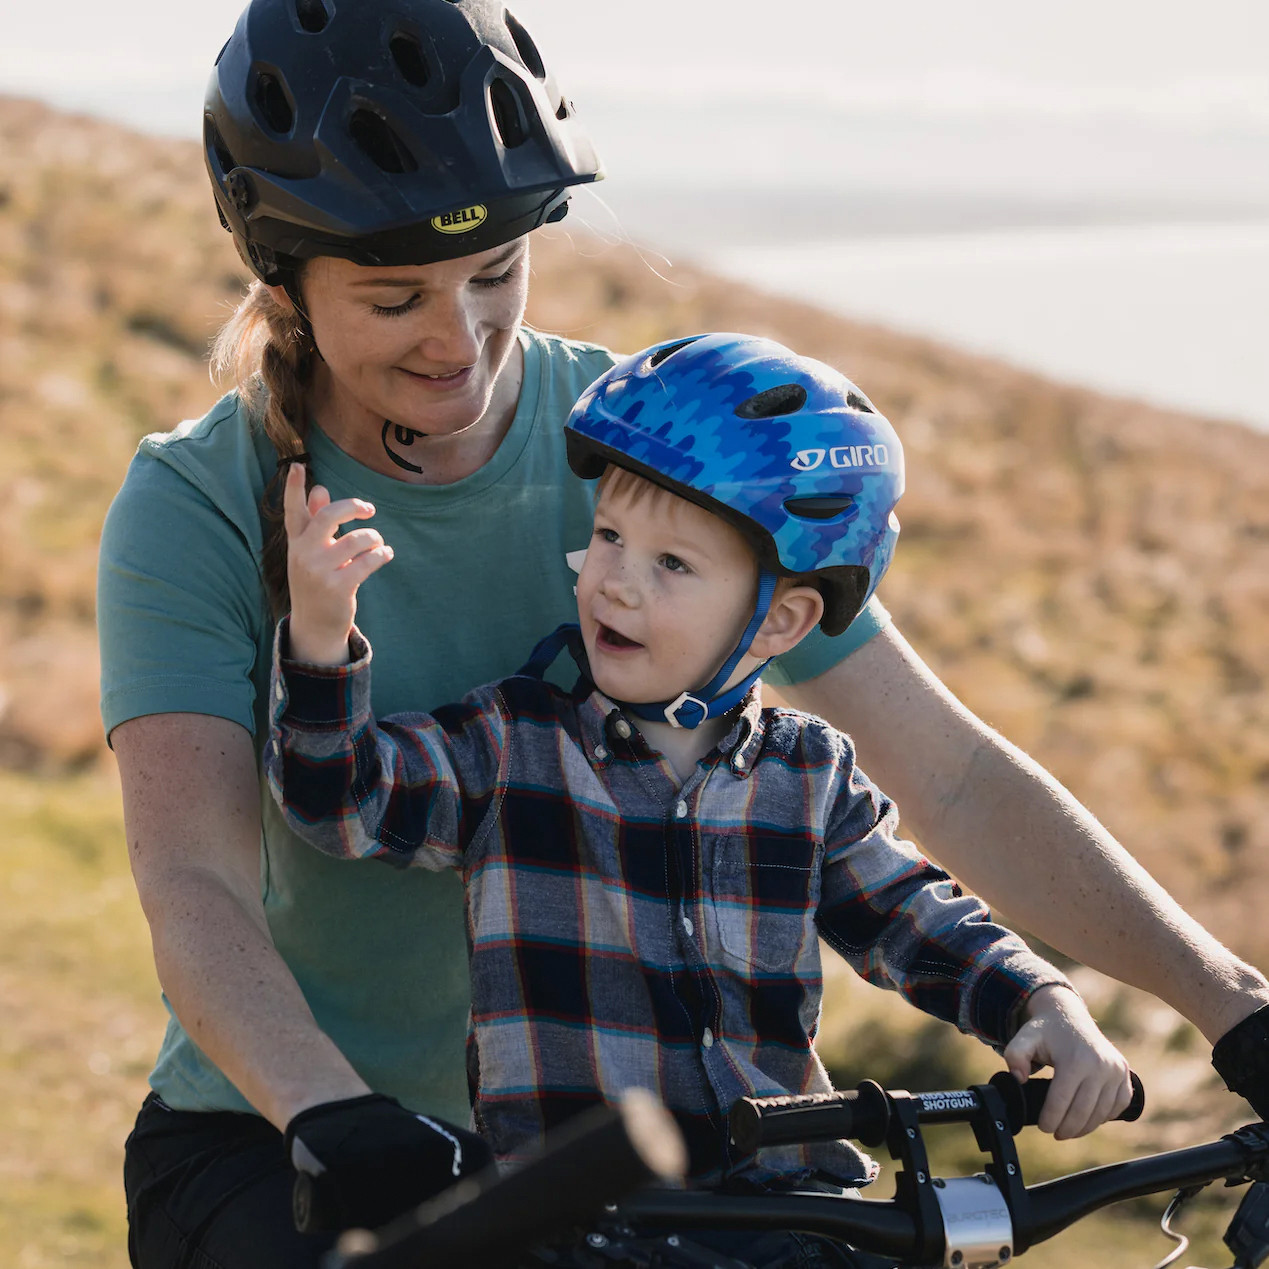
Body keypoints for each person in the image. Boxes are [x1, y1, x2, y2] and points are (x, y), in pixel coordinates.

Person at [96, 0, 1269, 1265]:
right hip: (293, 1142)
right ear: (284, 276)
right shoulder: (202, 501)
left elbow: (955, 774)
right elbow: (193, 881)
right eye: (394, 300)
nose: (461, 341)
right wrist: (337, 1114)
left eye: (496, 274)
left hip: (675, 1178)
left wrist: (1231, 1005)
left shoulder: (648, 453)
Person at [265, 333, 1131, 1264]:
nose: (617, 581)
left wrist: (1038, 1000)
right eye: (608, 537)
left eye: (672, 564)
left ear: (785, 619)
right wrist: (320, 639)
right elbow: (339, 801)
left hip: (793, 1217)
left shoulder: (807, 775)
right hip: (582, 1224)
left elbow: (914, 916)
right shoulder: (510, 746)